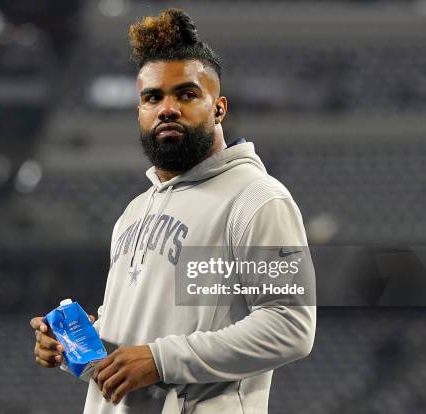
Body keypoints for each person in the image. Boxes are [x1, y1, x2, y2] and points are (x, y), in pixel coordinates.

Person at [30, 8, 316, 413]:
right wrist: (73, 346)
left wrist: (161, 360)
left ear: (218, 109)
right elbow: (136, 343)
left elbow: (290, 326)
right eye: (153, 97)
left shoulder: (257, 198)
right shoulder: (133, 212)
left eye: (186, 94)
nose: (167, 108)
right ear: (140, 113)